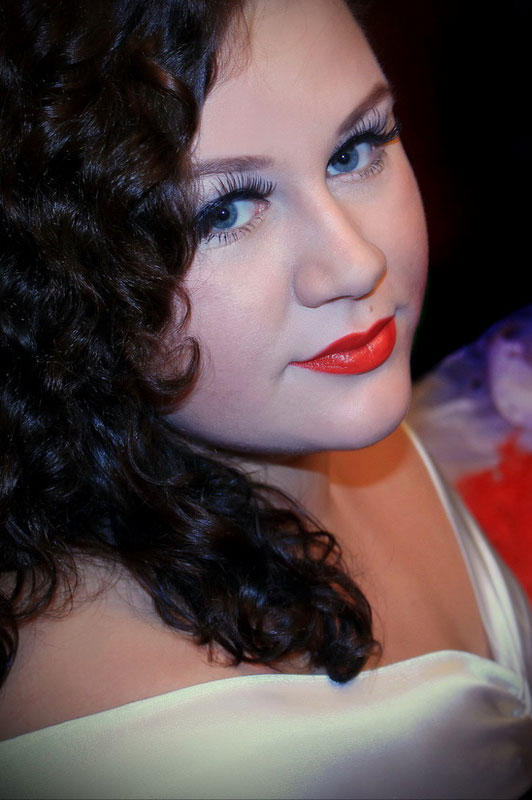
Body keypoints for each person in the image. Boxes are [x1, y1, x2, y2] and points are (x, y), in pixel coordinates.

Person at [0, 0, 530, 797]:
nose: (355, 264)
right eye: (223, 211)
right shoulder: (169, 764)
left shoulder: (325, 391)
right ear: (58, 277)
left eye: (355, 149)